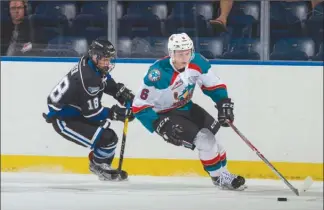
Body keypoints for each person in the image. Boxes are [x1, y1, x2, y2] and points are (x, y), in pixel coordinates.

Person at [132, 33, 246, 191]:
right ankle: (219, 178)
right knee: (205, 141)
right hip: (164, 114)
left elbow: (213, 84)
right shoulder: (158, 74)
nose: (185, 57)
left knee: (215, 139)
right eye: (180, 53)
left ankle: (224, 173)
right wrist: (158, 124)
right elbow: (139, 105)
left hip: (186, 106)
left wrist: (223, 102)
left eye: (187, 52)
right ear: (171, 53)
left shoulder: (197, 61)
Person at [43, 38, 135, 181]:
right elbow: (92, 113)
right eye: (105, 59)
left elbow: (103, 80)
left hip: (76, 110)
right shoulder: (88, 78)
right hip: (64, 119)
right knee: (106, 139)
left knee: (110, 138)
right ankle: (98, 165)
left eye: (109, 59)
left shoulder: (90, 63)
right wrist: (115, 113)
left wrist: (118, 92)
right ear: (95, 56)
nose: (108, 63)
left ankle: (101, 164)